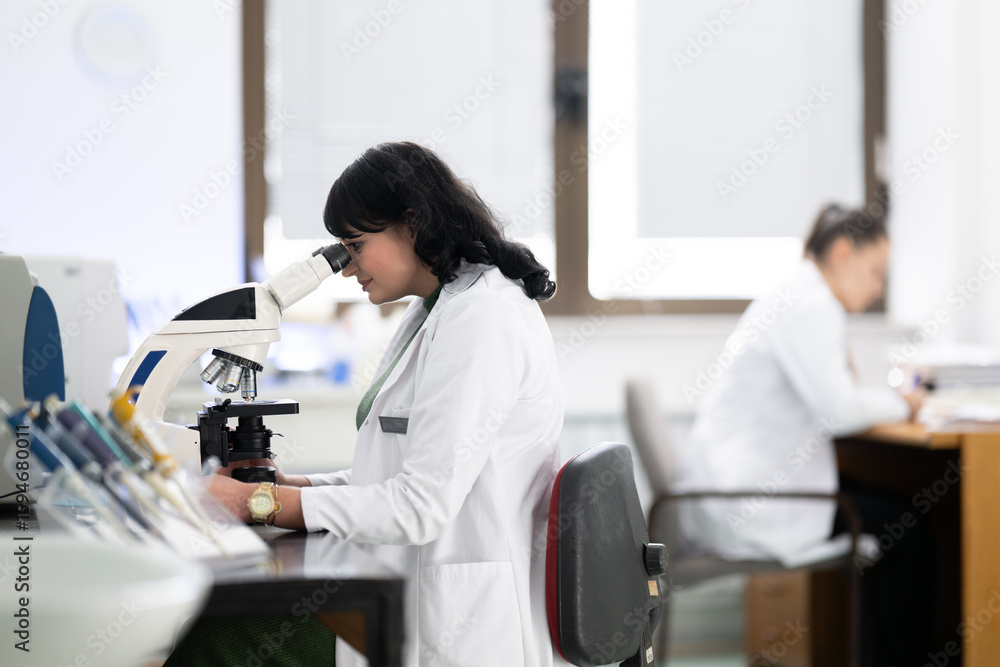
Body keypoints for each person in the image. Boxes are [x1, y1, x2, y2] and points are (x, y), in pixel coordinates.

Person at [203, 142, 563, 667]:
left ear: (412, 225)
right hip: (393, 583)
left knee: (217, 636)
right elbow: (399, 472)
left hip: (449, 619)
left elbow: (419, 506)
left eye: (355, 245)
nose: (346, 268)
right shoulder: (436, 307)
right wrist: (292, 487)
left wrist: (260, 503)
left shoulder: (481, 318)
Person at [678, 204, 931, 666]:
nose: (877, 289)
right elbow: (840, 411)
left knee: (891, 512)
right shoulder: (810, 305)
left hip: (740, 489)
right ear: (842, 252)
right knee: (907, 526)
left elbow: (837, 399)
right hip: (753, 501)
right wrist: (904, 403)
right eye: (875, 272)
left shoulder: (795, 296)